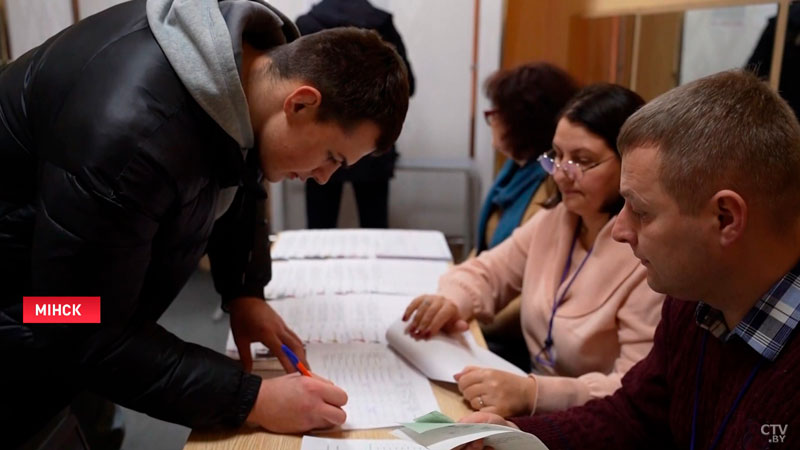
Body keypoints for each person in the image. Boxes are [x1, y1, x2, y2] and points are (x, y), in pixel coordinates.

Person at [0, 0, 409, 446]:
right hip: (31, 303)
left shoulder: (252, 70)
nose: (325, 179)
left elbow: (238, 168)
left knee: (87, 404)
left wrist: (242, 291)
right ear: (302, 103)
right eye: (332, 157)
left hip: (64, 281)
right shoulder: (129, 137)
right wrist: (251, 399)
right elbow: (78, 324)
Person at [461, 70, 800, 449]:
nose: (620, 231)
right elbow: (634, 414)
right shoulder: (693, 304)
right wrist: (517, 440)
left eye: (639, 211)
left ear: (725, 218)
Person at [402, 84, 664, 418]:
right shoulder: (557, 220)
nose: (561, 174)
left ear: (629, 164)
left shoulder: (649, 259)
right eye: (556, 156)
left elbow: (634, 388)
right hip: (533, 401)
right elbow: (486, 271)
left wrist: (534, 393)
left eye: (582, 161)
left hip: (595, 422)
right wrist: (452, 300)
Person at [475, 62, 579, 371]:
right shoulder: (514, 170)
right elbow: (487, 255)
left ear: (521, 122)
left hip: (514, 340)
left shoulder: (550, 185)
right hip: (492, 312)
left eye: (496, 114)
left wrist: (474, 323)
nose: (490, 120)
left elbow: (528, 292)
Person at [298, 0, 415, 229]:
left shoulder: (307, 24)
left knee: (320, 231)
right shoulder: (381, 23)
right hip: (369, 143)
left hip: (318, 142)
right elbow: (407, 84)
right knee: (375, 228)